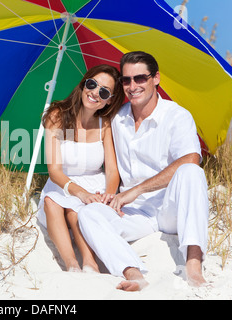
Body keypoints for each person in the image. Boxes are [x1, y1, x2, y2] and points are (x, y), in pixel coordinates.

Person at [78, 51, 210, 291]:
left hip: (170, 210)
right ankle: (134, 273)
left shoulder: (177, 116)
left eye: (140, 78)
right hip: (134, 214)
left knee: (192, 172)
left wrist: (136, 190)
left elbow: (191, 158)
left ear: (156, 78)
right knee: (88, 214)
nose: (132, 86)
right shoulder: (116, 119)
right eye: (126, 80)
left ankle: (193, 266)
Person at [36, 64, 125, 273]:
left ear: (109, 100)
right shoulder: (57, 116)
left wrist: (108, 197)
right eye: (92, 84)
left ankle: (90, 263)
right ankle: (71, 264)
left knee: (77, 212)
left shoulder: (105, 124)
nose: (95, 93)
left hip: (95, 183)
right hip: (63, 183)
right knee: (52, 201)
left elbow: (112, 170)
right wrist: (81, 194)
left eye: (103, 92)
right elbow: (55, 171)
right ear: (84, 83)